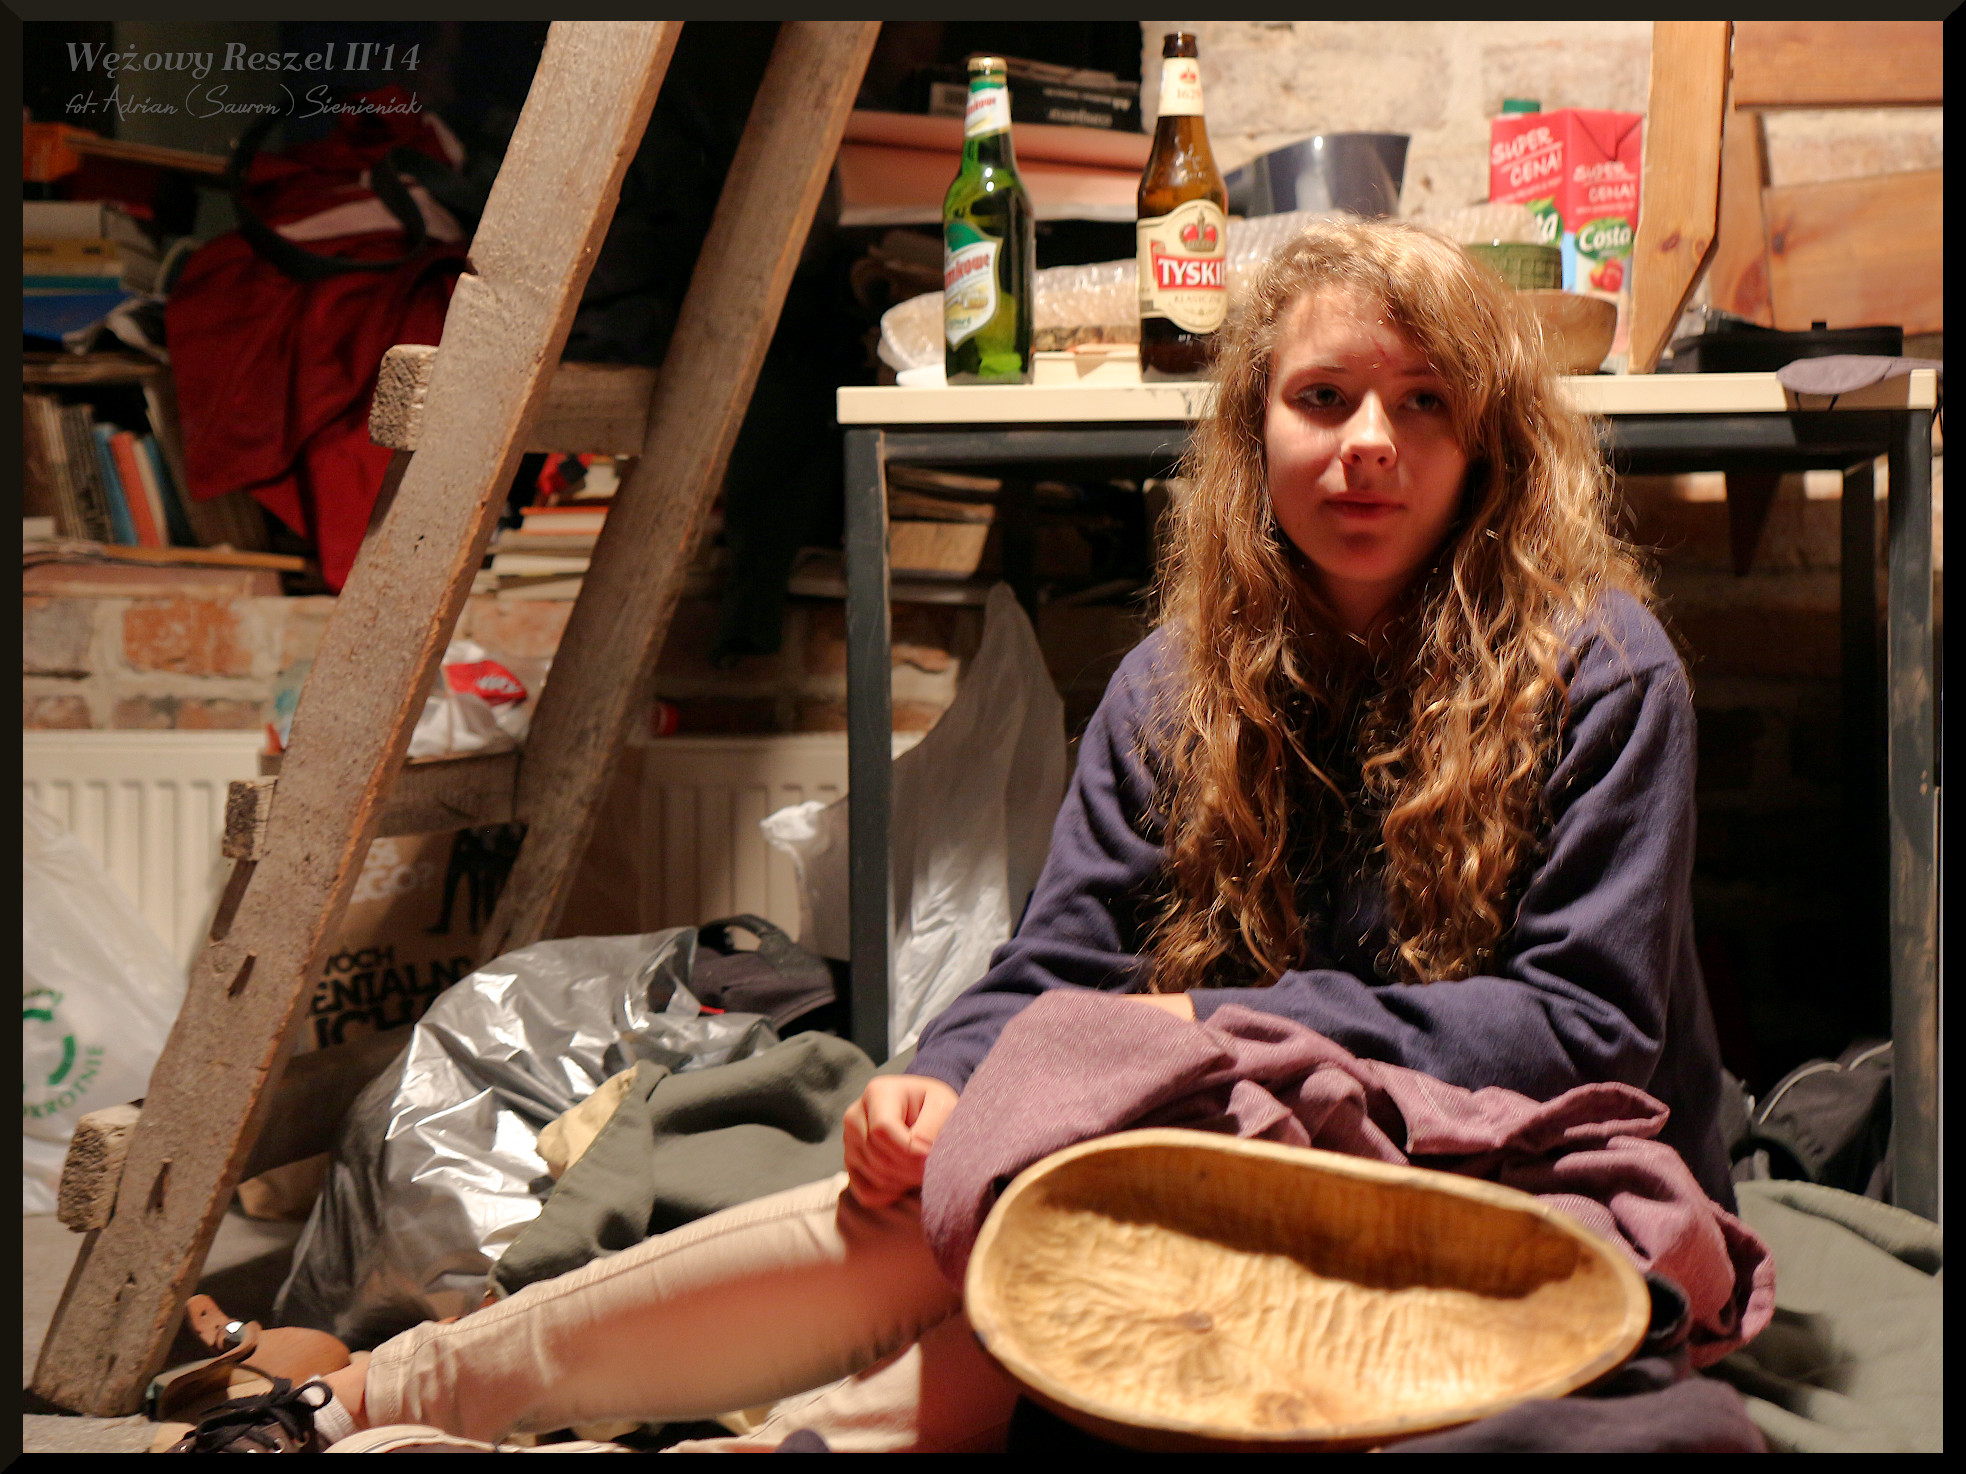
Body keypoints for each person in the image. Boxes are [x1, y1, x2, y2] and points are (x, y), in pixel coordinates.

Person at [171, 218, 1733, 1454]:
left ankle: (413, 1406)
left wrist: (1207, 1031)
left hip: (1501, 1177)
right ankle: (361, 1400)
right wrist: (941, 1077)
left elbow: (1582, 1029)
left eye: (1422, 400)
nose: (1367, 442)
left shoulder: (1600, 669)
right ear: (1255, 429)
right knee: (943, 1191)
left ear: (1489, 440)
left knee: (1079, 1235)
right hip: (1229, 1138)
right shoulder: (1172, 682)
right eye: (1321, 398)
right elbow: (1055, 962)